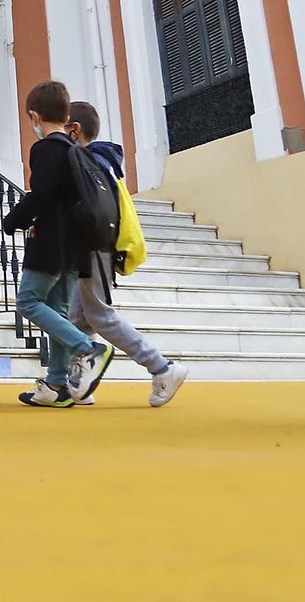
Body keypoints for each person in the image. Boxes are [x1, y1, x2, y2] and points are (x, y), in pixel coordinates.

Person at [65, 101, 188, 408]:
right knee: (79, 317)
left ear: (75, 129)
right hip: (96, 244)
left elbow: (91, 207)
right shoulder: (104, 159)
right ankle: (80, 384)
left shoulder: (89, 160)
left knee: (99, 315)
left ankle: (162, 368)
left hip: (95, 244)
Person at [1, 80, 114, 408]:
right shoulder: (78, 152)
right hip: (75, 245)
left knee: (28, 301)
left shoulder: (45, 149)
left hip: (49, 240)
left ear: (35, 117)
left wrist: (14, 219)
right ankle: (57, 383)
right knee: (59, 309)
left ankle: (88, 349)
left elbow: (43, 195)